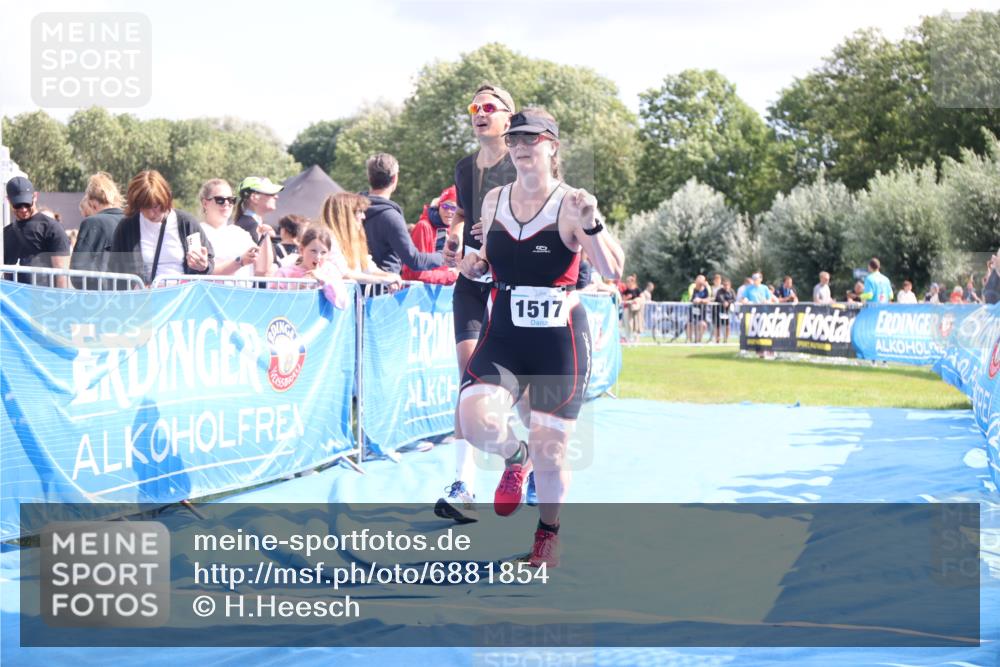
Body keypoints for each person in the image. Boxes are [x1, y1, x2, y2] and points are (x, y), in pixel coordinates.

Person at [457, 108, 624, 568]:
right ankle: (516, 456)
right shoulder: (493, 200)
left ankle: (548, 532)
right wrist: (474, 264)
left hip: (559, 339)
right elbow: (486, 257)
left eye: (531, 138)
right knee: (474, 419)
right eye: (514, 139)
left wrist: (591, 222)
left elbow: (612, 270)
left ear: (552, 145)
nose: (521, 146)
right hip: (506, 332)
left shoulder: (573, 203)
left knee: (553, 451)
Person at [436, 84, 519, 523]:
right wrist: (454, 239)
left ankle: (520, 456)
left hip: (512, 279)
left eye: (489, 107)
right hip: (472, 279)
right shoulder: (465, 167)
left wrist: (489, 248)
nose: (479, 113)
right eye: (474, 107)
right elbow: (466, 213)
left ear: (509, 117)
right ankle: (463, 483)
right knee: (468, 381)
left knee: (514, 388)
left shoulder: (523, 161)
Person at [108, 170, 213, 287]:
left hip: (181, 300)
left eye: (157, 205)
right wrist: (134, 287)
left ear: (166, 198)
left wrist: (203, 266)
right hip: (144, 301)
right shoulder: (127, 227)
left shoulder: (186, 222)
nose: (152, 212)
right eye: (146, 206)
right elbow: (115, 269)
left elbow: (209, 262)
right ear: (137, 205)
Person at [361, 153, 445, 276]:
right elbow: (414, 260)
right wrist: (443, 257)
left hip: (353, 288)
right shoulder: (391, 217)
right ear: (395, 178)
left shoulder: (351, 209)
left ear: (369, 178)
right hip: (383, 289)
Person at [316, 192, 403, 289]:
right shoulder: (328, 239)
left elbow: (368, 267)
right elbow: (344, 274)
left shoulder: (353, 240)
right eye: (360, 211)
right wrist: (384, 280)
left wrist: (390, 276)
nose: (364, 216)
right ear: (346, 214)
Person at [198, 179, 272, 281]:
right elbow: (204, 272)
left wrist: (264, 237)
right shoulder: (197, 232)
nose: (226, 203)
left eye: (231, 200)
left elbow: (262, 270)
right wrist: (240, 262)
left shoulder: (241, 233)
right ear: (205, 203)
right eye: (220, 200)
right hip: (212, 294)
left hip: (243, 294)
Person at [3, 176, 71, 287]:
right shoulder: (6, 232)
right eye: (18, 205)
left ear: (35, 197)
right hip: (12, 301)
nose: (23, 209)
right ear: (8, 200)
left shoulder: (52, 228)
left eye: (27, 203)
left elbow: (62, 275)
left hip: (43, 299)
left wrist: (61, 301)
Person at [271, 225, 349, 308]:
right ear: (301, 250)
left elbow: (343, 304)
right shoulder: (284, 273)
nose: (318, 257)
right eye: (313, 251)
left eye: (323, 252)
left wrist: (324, 281)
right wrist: (297, 288)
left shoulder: (330, 271)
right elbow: (274, 304)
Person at [70, 172, 125, 288]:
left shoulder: (92, 223)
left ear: (92, 203)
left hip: (99, 299)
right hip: (131, 297)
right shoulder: (132, 221)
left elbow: (77, 273)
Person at [402, 185, 460, 285]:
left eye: (454, 208)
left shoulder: (450, 229)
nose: (449, 211)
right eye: (446, 206)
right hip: (415, 294)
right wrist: (451, 276)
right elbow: (418, 273)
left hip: (436, 293)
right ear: (438, 207)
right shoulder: (423, 226)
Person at [234, 176, 283, 244]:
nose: (276, 197)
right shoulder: (250, 227)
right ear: (254, 198)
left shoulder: (250, 224)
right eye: (271, 193)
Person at [687, 274, 710, 342]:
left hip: (702, 311)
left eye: (701, 280)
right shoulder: (692, 288)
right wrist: (698, 300)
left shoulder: (706, 289)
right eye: (698, 279)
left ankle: (698, 340)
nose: (700, 281)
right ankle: (690, 340)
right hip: (693, 310)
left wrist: (701, 300)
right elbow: (692, 299)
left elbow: (708, 299)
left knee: (703, 325)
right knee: (690, 324)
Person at [714, 278, 736, 343]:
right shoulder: (719, 291)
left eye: (727, 285)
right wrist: (723, 302)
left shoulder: (731, 291)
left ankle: (726, 339)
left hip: (727, 311)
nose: (726, 286)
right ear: (723, 285)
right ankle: (717, 339)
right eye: (725, 285)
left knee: (727, 325)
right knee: (718, 326)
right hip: (718, 311)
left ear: (730, 285)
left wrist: (728, 302)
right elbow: (719, 297)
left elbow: (734, 299)